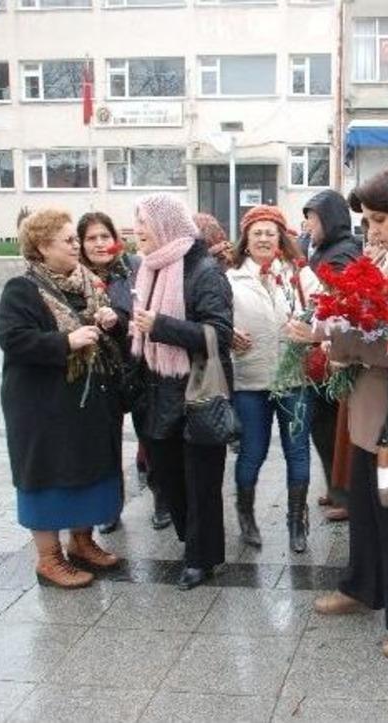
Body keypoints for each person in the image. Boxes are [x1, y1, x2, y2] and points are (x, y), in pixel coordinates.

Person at [288, 168, 388, 658]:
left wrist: (331, 338)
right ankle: (363, 587)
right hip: (368, 409)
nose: (371, 230)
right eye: (367, 221)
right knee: (363, 509)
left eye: (380, 219)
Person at [0, 209, 123, 589]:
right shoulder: (22, 288)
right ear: (41, 246)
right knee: (47, 476)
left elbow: (96, 332)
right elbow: (13, 340)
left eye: (74, 239)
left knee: (86, 471)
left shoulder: (85, 283)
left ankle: (82, 543)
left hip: (84, 404)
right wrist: (65, 342)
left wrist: (106, 322)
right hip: (41, 407)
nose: (76, 245)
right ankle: (48, 559)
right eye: (68, 240)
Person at [130, 193, 234, 591]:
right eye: (137, 221)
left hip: (198, 387)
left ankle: (202, 558)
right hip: (158, 388)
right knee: (168, 476)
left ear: (167, 226)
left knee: (201, 480)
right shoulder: (150, 268)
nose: (137, 230)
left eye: (144, 222)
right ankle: (192, 542)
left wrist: (161, 326)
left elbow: (217, 335)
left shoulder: (204, 270)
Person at [228, 205, 321, 553]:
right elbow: (216, 319)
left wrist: (310, 330)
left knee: (298, 452)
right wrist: (227, 332)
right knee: (252, 452)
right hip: (249, 379)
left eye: (270, 232)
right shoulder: (231, 277)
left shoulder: (300, 274)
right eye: (257, 233)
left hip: (295, 379)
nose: (264, 238)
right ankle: (246, 516)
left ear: (281, 237)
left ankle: (297, 522)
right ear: (247, 240)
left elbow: (325, 312)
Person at [302, 190, 361, 522]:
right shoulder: (325, 249)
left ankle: (346, 495)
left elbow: (335, 304)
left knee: (334, 428)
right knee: (323, 426)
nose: (309, 224)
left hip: (333, 351)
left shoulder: (342, 254)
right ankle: (335, 487)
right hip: (322, 348)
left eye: (314, 217)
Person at [77, 211, 135, 535]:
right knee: (107, 442)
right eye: (91, 238)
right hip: (100, 371)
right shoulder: (75, 276)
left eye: (104, 236)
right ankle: (111, 506)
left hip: (135, 364)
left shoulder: (132, 268)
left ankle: (162, 501)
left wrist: (120, 318)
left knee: (151, 439)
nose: (99, 244)